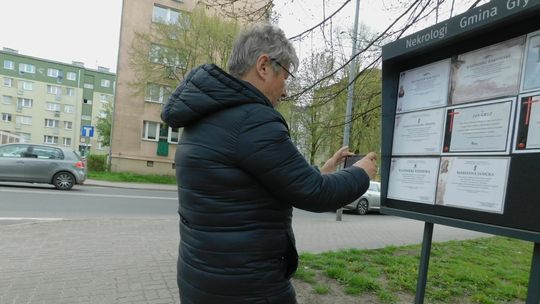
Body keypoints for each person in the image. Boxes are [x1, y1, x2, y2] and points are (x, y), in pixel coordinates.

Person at [161, 23, 378, 304]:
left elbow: (264, 182)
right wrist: (361, 174)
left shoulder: (203, 118)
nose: (286, 90)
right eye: (285, 76)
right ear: (264, 66)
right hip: (248, 288)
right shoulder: (252, 119)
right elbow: (315, 194)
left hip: (202, 279)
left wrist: (323, 170)